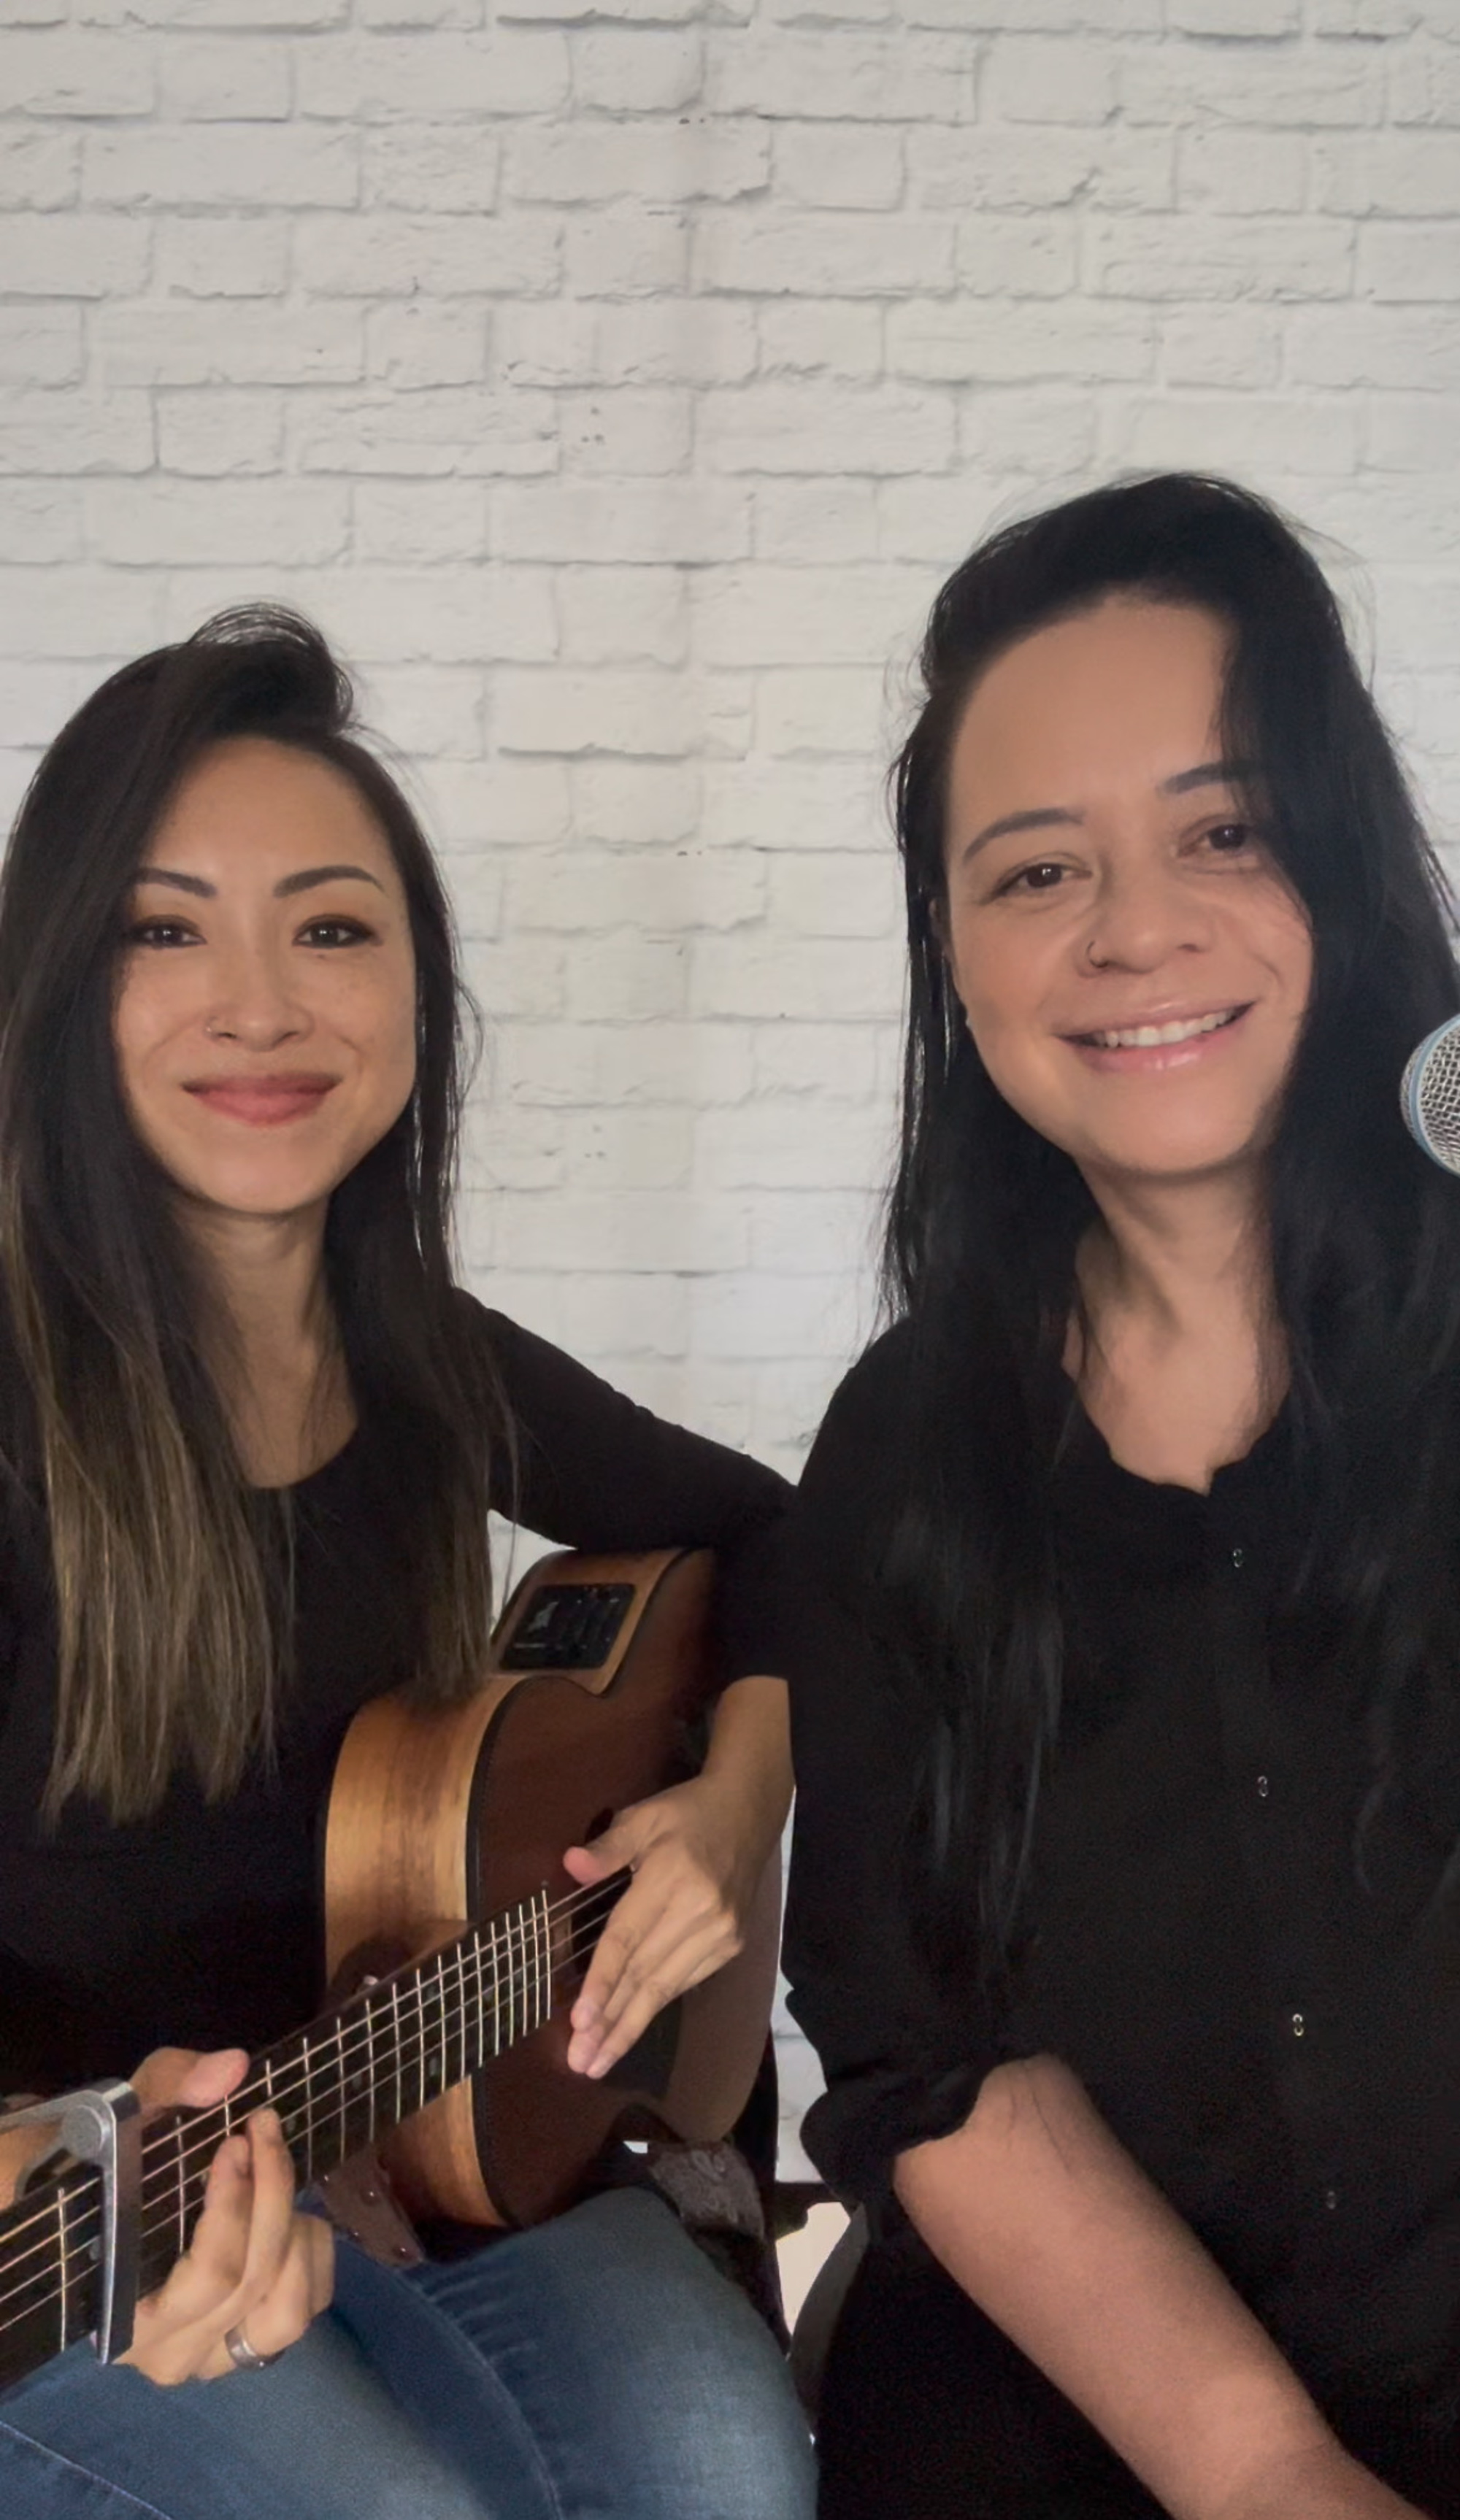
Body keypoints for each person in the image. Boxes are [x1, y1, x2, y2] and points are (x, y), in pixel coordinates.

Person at [0, 608, 816, 2520]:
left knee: (722, 2466)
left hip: (395, 2133)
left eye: (333, 926)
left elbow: (774, 1533)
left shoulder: (422, 1360)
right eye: (163, 926)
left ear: (417, 987)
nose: (262, 1005)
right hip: (72, 2239)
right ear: (56, 983)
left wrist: (720, 1811)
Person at [775, 475, 1460, 2519]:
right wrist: (1264, 2475)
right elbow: (919, 2052)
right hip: (1069, 2407)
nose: (1134, 928)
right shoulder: (907, 1449)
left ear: (1337, 861)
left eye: (1221, 828)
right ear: (956, 955)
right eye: (1037, 868)